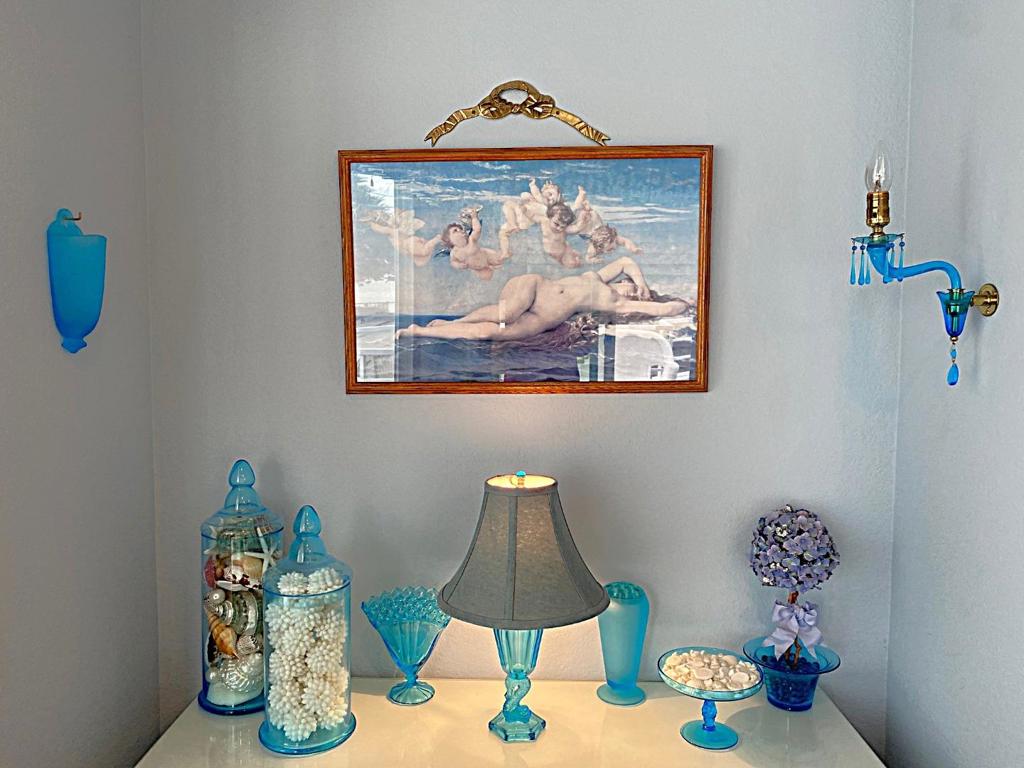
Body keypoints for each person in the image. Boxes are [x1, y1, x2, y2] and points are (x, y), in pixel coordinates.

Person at [396, 256, 690, 341]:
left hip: (541, 319)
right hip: (534, 288)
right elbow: (626, 262)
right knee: (505, 314)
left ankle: (422, 330)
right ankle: (454, 322)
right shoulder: (597, 278)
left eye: (633, 292)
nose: (629, 289)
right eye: (628, 285)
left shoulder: (617, 303)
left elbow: (663, 309)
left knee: (491, 334)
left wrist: (686, 305)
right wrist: (642, 283)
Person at [442, 207, 510, 281]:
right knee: (487, 278)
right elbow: (453, 262)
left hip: (487, 256)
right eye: (455, 231)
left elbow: (477, 229)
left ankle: (505, 252)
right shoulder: (455, 252)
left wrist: (474, 217)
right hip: (479, 268)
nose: (460, 230)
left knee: (500, 260)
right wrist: (458, 265)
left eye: (460, 229)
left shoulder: (471, 240)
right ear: (449, 239)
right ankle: (492, 269)